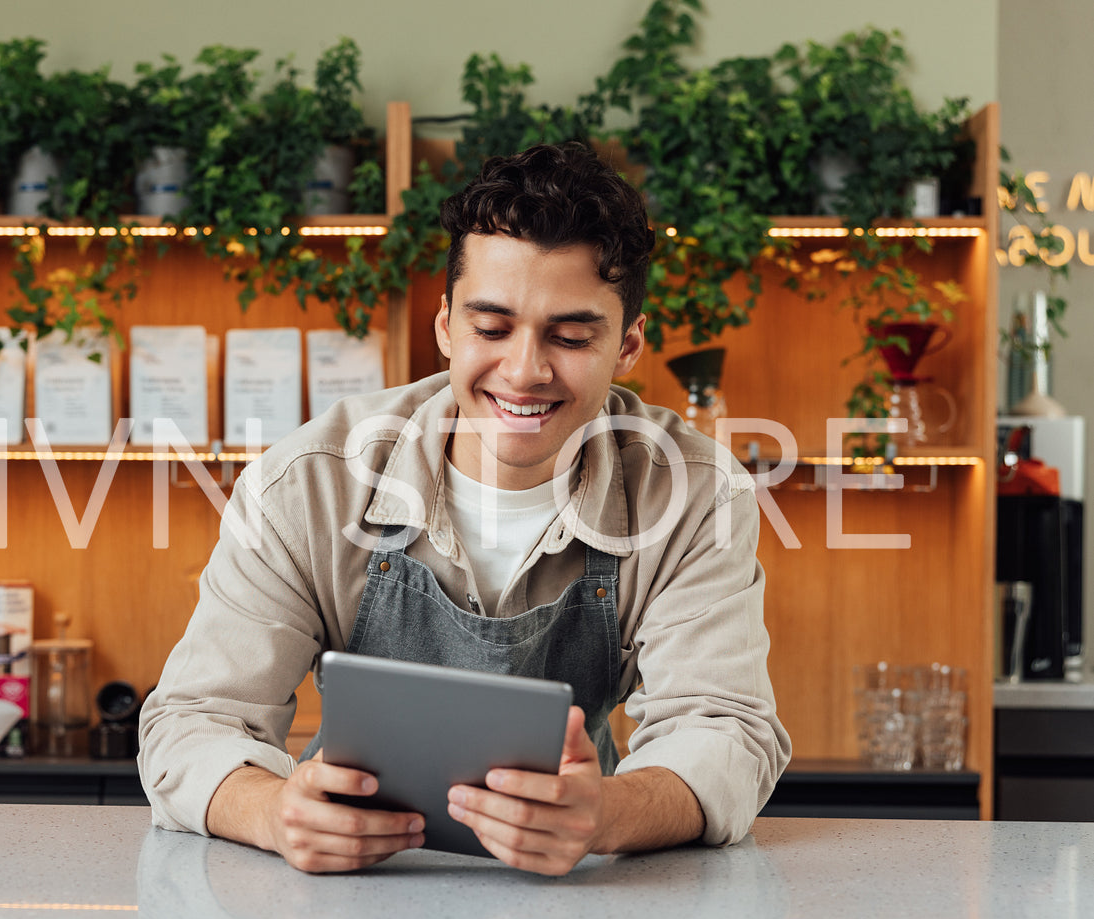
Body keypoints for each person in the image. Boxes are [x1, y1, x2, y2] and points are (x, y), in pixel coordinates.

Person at [137, 142, 790, 876]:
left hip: (581, 892)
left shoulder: (694, 494)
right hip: (348, 896)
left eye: (570, 336)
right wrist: (271, 812)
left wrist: (606, 814)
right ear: (445, 326)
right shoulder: (308, 483)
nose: (524, 370)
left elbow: (724, 731)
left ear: (628, 343)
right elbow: (193, 721)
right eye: (490, 328)